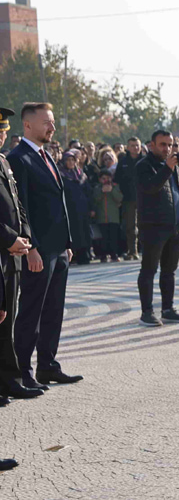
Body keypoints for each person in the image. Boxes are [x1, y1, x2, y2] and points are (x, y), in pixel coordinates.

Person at [8, 103, 82, 388]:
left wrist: (67, 243)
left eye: (52, 122)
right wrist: (33, 248)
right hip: (38, 250)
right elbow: (21, 207)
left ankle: (48, 365)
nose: (51, 127)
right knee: (31, 311)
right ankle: (23, 370)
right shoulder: (19, 158)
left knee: (54, 310)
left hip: (58, 248)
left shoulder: (47, 155)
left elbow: (59, 201)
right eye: (46, 123)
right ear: (27, 125)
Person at [0, 107, 39, 403]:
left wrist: (22, 235)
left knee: (7, 319)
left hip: (10, 253)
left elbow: (17, 203)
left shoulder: (2, 161)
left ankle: (9, 380)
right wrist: (10, 238)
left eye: (3, 131)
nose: (1, 136)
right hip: (3, 247)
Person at [135, 130, 179, 326]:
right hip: (153, 227)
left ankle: (168, 309)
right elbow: (150, 187)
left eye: (170, 144)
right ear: (152, 145)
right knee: (149, 270)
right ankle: (147, 312)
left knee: (170, 271)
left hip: (174, 227)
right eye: (162, 144)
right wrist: (167, 168)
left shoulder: (174, 166)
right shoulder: (143, 166)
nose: (167, 148)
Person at [60, 151, 92, 265]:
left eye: (72, 160)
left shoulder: (80, 174)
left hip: (83, 208)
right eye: (68, 160)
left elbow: (88, 191)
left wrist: (91, 207)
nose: (70, 162)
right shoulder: (61, 175)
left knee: (84, 231)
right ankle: (74, 256)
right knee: (74, 232)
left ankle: (85, 254)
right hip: (70, 209)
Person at [115, 137, 144, 260]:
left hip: (145, 198)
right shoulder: (123, 162)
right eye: (132, 145)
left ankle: (149, 250)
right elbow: (117, 180)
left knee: (146, 226)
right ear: (128, 147)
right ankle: (133, 251)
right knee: (130, 226)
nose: (135, 148)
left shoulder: (145, 161)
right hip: (128, 199)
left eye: (137, 145)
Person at [91, 169, 123, 262]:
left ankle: (114, 254)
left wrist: (111, 190)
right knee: (103, 238)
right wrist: (102, 191)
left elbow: (119, 198)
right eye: (103, 178)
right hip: (101, 217)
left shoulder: (115, 186)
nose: (106, 180)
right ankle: (103, 255)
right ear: (100, 179)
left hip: (113, 217)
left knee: (113, 237)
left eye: (108, 178)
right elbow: (95, 199)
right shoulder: (97, 188)